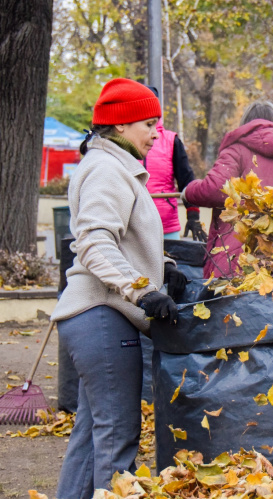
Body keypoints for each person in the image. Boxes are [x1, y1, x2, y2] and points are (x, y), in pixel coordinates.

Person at [51, 78, 187, 498]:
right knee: (118, 438)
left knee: (92, 437)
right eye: (148, 123)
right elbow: (93, 242)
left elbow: (124, 239)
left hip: (97, 317)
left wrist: (163, 267)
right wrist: (142, 291)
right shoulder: (107, 170)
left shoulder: (116, 168)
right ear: (121, 125)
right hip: (102, 318)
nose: (155, 133)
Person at [183, 101, 273, 279]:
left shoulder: (236, 152)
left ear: (246, 125)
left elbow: (213, 189)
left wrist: (188, 191)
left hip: (239, 258)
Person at [143, 86, 207, 242]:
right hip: (133, 227)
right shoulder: (125, 141)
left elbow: (186, 179)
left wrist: (193, 215)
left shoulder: (171, 141)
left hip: (166, 225)